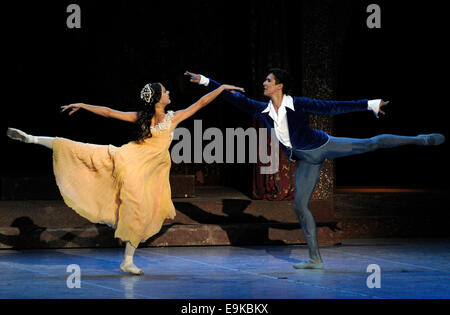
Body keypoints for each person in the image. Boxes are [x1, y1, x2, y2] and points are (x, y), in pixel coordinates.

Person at [185, 69, 445, 269]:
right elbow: (233, 97)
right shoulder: (262, 109)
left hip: (323, 146)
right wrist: (206, 81)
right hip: (305, 160)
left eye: (268, 80)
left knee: (370, 144)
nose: (264, 83)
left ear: (279, 85)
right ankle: (315, 259)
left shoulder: (299, 103)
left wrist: (369, 104)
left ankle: (421, 139)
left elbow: (332, 107)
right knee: (300, 206)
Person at [6, 80, 244, 275]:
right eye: (166, 91)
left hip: (130, 162)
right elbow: (201, 102)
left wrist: (83, 104)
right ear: (159, 98)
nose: (170, 92)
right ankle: (127, 261)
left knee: (85, 151)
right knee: (133, 207)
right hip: (134, 168)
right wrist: (221, 88)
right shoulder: (172, 118)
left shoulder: (148, 116)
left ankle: (32, 139)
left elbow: (109, 112)